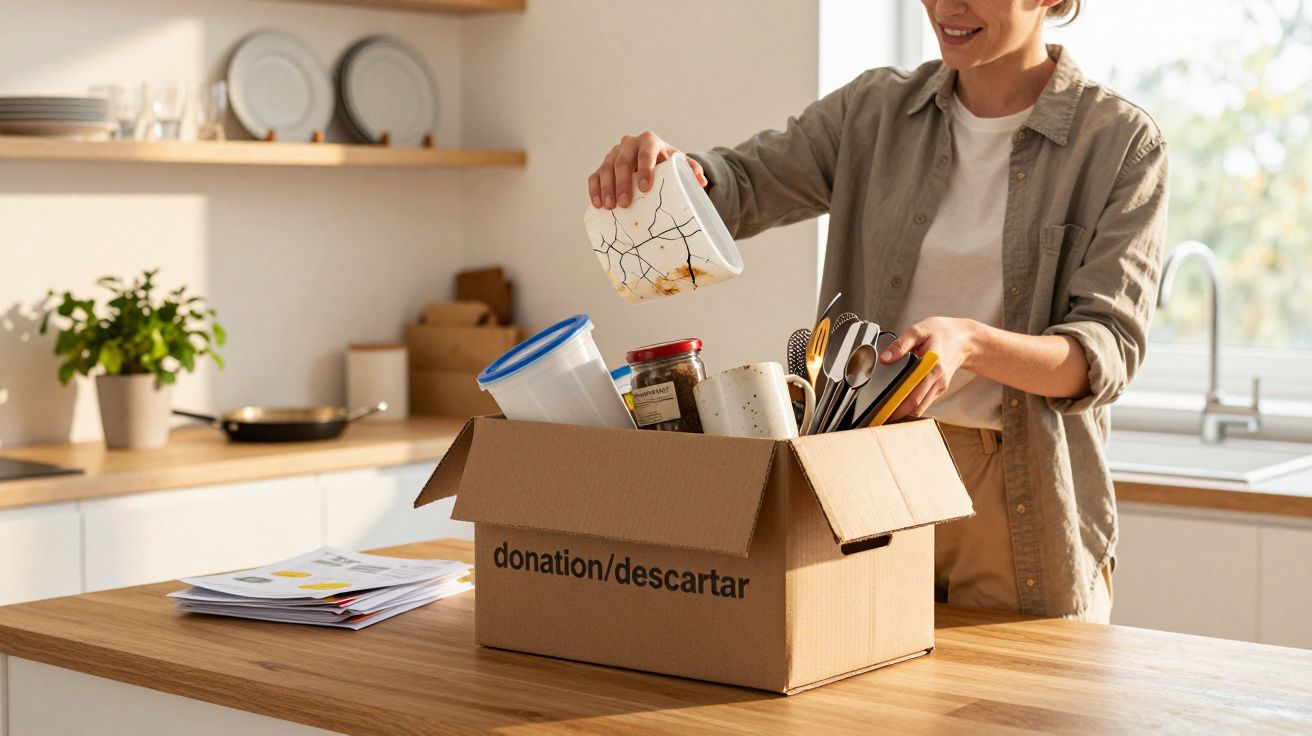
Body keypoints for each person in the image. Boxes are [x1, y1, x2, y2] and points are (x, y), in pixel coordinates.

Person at [587, 0, 1168, 622]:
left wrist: (971, 343)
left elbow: (1101, 354)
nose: (946, 7)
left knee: (1016, 712)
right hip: (865, 468)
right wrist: (680, 171)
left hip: (1017, 491)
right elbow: (742, 184)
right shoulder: (875, 112)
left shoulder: (1120, 143)